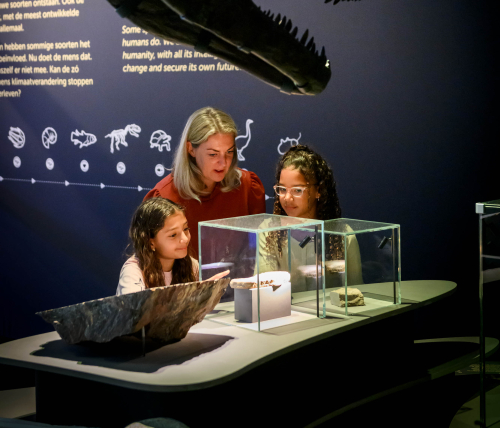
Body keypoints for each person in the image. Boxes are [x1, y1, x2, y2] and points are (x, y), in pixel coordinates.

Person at [144, 107, 265, 258]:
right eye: (213, 154)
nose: (223, 163)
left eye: (229, 152)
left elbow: (262, 252)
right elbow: (150, 263)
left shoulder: (247, 186)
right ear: (191, 149)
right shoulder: (163, 196)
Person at [267, 144, 363, 287]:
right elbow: (264, 290)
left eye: (297, 190)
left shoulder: (343, 235)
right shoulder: (268, 231)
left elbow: (355, 289)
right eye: (282, 189)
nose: (287, 198)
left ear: (318, 190)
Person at [117, 196, 229, 295]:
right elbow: (134, 313)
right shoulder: (133, 270)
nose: (185, 239)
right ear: (150, 242)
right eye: (173, 235)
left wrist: (205, 295)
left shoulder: (191, 265)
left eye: (186, 229)